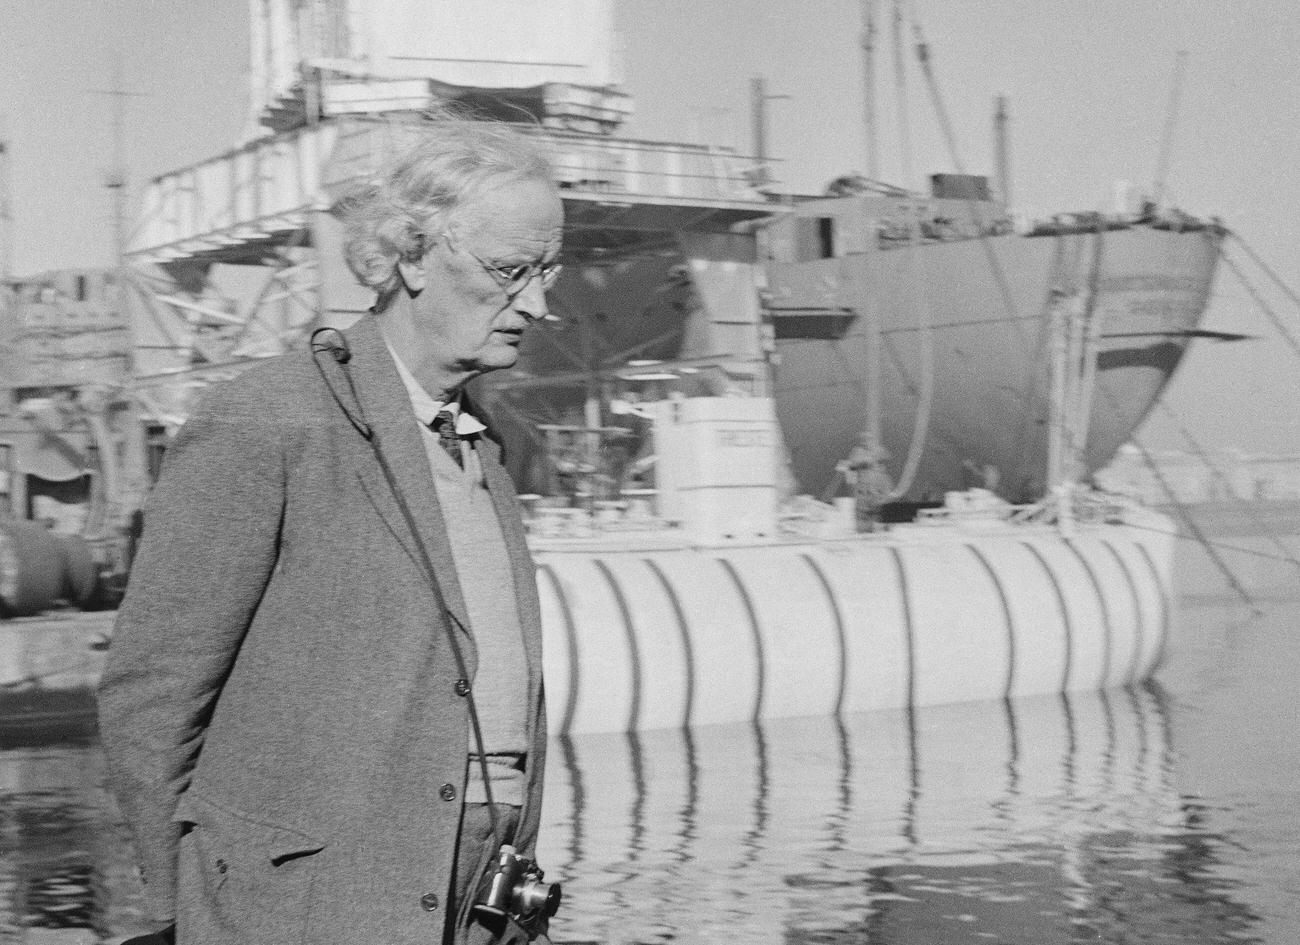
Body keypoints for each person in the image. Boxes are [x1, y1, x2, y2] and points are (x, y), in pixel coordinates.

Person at [98, 117, 563, 945]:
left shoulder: (488, 448)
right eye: (510, 270)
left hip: (471, 908)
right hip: (300, 914)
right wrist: (189, 915)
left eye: (547, 270)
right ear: (413, 254)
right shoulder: (268, 420)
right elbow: (152, 695)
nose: (537, 302)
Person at [844, 435, 894, 532]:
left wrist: (876, 458)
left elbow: (887, 456)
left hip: (877, 487)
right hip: (863, 487)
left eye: (869, 439)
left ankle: (883, 528)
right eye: (864, 440)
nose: (866, 442)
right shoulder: (857, 451)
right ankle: (865, 528)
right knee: (863, 513)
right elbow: (850, 467)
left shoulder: (878, 450)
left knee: (880, 510)